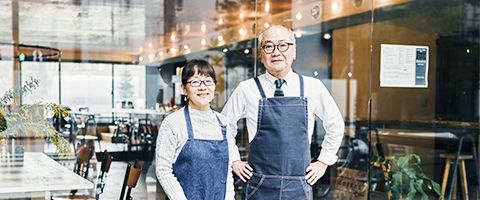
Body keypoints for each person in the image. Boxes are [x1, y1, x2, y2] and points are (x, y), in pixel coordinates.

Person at [222, 25, 345, 200]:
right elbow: (224, 127)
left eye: (283, 45)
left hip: (299, 185)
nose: (276, 52)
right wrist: (234, 160)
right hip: (259, 185)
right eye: (269, 46)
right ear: (261, 54)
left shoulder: (312, 87)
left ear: (294, 51)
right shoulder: (246, 89)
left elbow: (336, 125)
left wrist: (323, 161)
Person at [156, 59, 240, 200]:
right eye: (195, 82)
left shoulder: (224, 123)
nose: (202, 87)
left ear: (214, 86)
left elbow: (227, 173)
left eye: (208, 81)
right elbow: (163, 170)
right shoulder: (173, 123)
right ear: (184, 88)